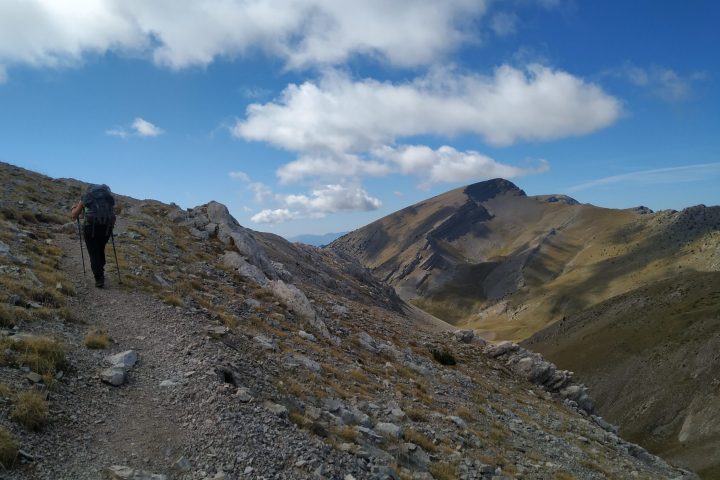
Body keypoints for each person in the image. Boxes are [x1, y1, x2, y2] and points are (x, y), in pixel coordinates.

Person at [71, 184, 116, 288]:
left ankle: (99, 278)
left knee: (93, 252)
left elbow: (74, 215)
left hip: (90, 228)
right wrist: (110, 227)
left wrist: (73, 208)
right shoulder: (107, 198)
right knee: (100, 249)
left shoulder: (86, 197)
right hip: (106, 228)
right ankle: (100, 269)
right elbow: (113, 216)